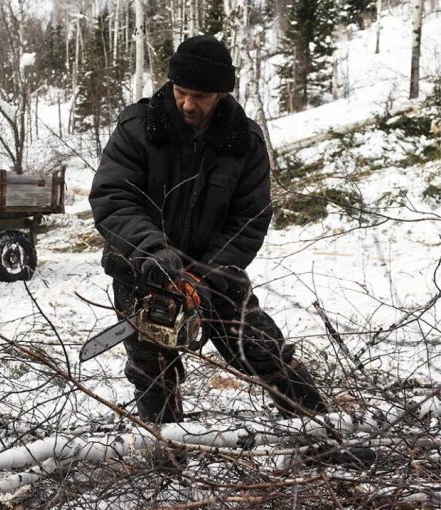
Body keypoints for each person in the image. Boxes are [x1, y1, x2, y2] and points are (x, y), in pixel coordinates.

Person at [89, 35, 328, 426]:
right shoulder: (137, 128)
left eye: (199, 95)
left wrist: (206, 275)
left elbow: (249, 220)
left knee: (261, 348)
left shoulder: (244, 142)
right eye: (181, 92)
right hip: (142, 268)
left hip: (215, 271)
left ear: (220, 93)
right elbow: (113, 199)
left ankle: (319, 430)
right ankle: (165, 458)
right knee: (153, 371)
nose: (187, 104)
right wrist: (152, 252)